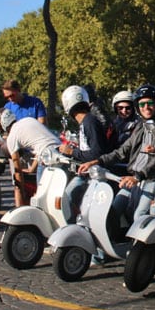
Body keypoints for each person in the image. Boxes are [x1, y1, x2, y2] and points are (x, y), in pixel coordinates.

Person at [79, 84, 155, 231]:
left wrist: (137, 176)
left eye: (150, 103)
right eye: (142, 104)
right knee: (112, 211)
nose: (146, 107)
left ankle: (144, 252)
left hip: (153, 179)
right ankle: (108, 252)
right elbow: (122, 151)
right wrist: (97, 161)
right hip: (133, 179)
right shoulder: (140, 126)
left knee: (139, 216)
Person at [58, 85, 111, 222]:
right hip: (85, 171)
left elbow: (96, 154)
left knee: (67, 199)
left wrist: (71, 151)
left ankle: (71, 232)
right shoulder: (85, 122)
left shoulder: (89, 122)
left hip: (92, 174)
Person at [0, 107, 61, 207]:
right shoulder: (28, 120)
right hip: (60, 152)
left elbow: (17, 170)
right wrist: (32, 169)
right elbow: (42, 145)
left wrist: (21, 189)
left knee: (41, 199)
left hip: (47, 160)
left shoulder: (12, 137)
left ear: (3, 123)